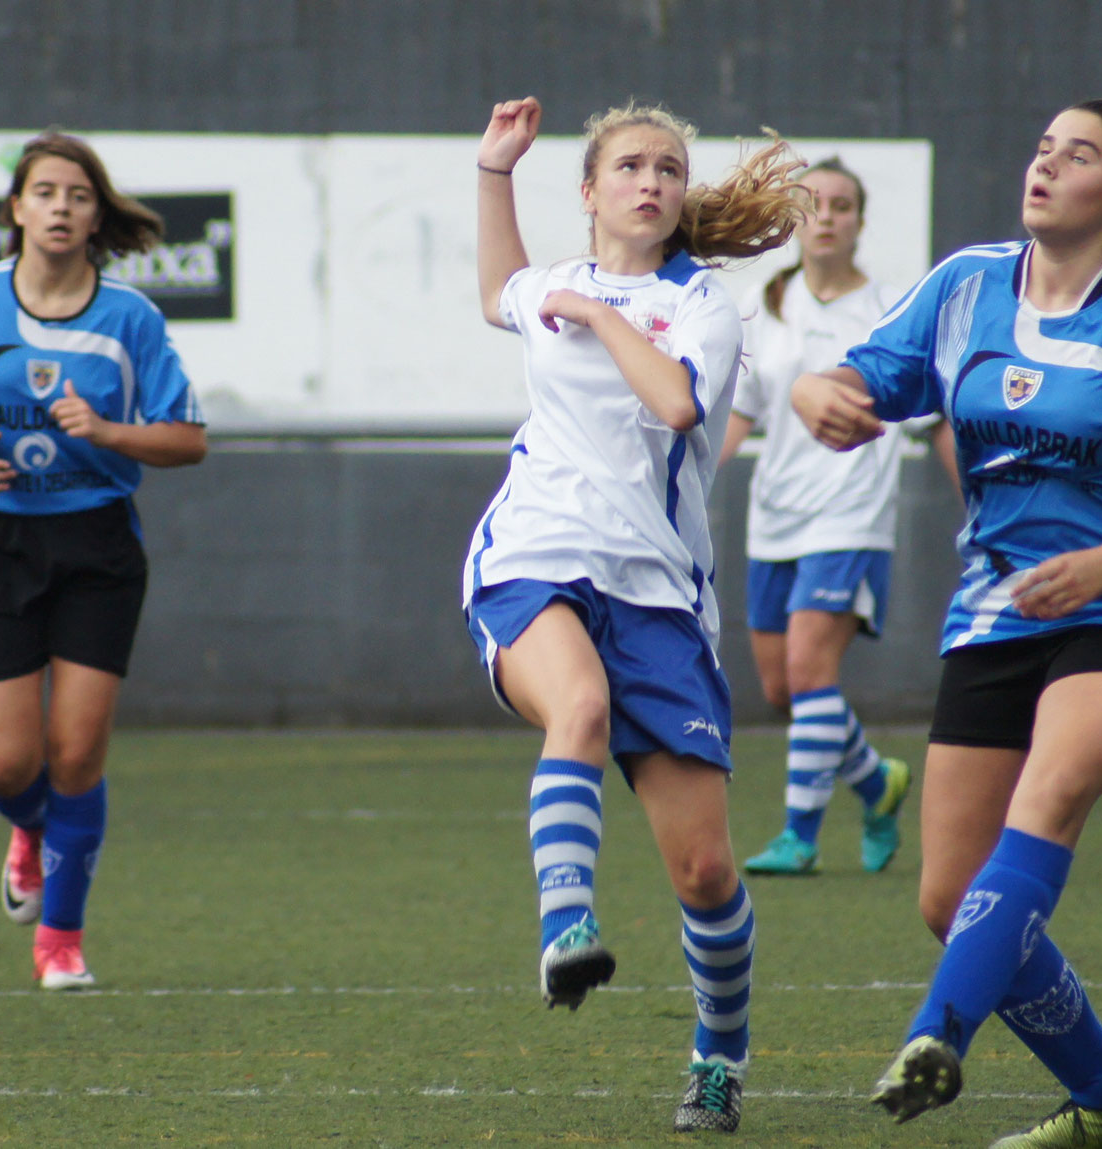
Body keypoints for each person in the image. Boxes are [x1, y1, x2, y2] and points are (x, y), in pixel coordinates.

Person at [792, 100, 1102, 1148]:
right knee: (949, 900)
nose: (1046, 163)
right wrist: (812, 390)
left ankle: (934, 1038)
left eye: (1078, 153)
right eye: (1040, 144)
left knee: (1045, 796)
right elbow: (864, 376)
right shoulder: (964, 285)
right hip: (993, 615)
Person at [464, 96, 808, 1135]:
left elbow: (675, 405)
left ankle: (718, 1059)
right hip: (533, 557)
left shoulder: (701, 304)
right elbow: (497, 292)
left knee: (705, 872)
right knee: (577, 708)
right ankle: (566, 922)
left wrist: (607, 317)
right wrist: (492, 173)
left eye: (665, 168)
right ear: (590, 192)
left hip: (657, 592)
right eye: (627, 167)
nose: (649, 182)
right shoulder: (556, 286)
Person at [0, 130, 206, 991]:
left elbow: (187, 440)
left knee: (76, 754)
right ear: (16, 209)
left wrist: (109, 432)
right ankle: (31, 829)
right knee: (6, 767)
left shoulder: (131, 317)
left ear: (95, 217)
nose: (60, 207)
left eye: (78, 195)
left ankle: (61, 939)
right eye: (44, 192)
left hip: (95, 545)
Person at [720, 158, 958, 877]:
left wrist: (982, 507)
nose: (826, 216)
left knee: (809, 667)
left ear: (860, 220)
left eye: (842, 205)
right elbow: (739, 413)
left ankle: (800, 835)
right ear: (794, 218)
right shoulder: (765, 308)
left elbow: (938, 418)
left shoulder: (889, 310)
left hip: (850, 516)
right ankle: (876, 781)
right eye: (813, 204)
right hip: (776, 516)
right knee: (782, 689)